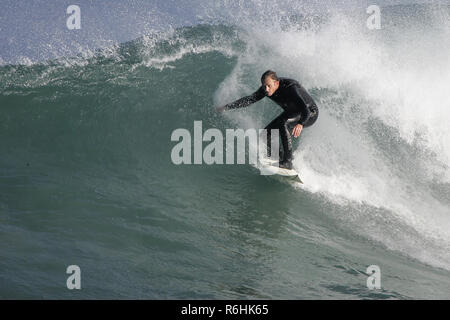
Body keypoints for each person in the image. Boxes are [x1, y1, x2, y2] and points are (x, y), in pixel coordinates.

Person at [216, 70, 319, 169]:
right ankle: (280, 157)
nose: (266, 89)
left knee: (283, 123)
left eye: (269, 86)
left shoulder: (290, 87)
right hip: (292, 112)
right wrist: (227, 107)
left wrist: (301, 123)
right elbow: (249, 100)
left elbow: (305, 108)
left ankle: (287, 162)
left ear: (277, 83)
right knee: (265, 134)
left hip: (309, 113)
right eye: (264, 86)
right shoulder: (266, 90)